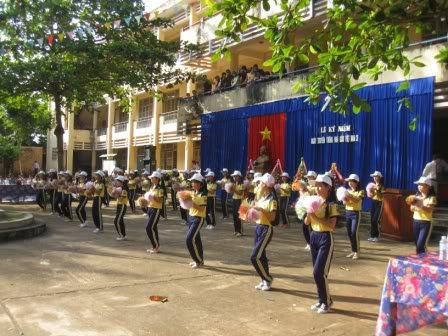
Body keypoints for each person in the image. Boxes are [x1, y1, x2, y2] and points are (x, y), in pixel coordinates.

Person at [304, 174, 338, 314]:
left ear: (328, 187)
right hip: (314, 237)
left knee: (319, 272)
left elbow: (332, 225)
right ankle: (321, 301)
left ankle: (328, 301)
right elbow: (307, 223)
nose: (316, 188)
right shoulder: (314, 200)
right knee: (316, 273)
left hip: (325, 238)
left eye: (320, 185)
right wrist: (308, 213)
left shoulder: (331, 204)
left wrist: (315, 217)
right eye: (315, 185)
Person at [251, 173, 278, 291]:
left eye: (261, 182)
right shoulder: (262, 197)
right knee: (261, 256)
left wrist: (261, 209)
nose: (259, 184)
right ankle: (264, 280)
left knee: (255, 257)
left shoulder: (272, 199)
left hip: (266, 229)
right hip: (258, 227)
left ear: (266, 185)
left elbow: (272, 217)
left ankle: (267, 278)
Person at [409, 177, 437, 254]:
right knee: (417, 243)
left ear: (427, 186)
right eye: (418, 185)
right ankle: (421, 258)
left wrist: (421, 205)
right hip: (416, 221)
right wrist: (414, 206)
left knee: (420, 244)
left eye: (421, 185)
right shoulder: (416, 196)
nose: (419, 186)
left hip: (426, 222)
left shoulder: (432, 198)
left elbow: (429, 210)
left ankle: (422, 260)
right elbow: (411, 209)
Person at [186, 173, 208, 268]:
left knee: (189, 239)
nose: (192, 183)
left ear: (199, 183)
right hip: (191, 217)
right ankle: (200, 260)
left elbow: (202, 209)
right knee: (197, 240)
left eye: (194, 182)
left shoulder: (203, 195)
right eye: (192, 182)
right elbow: (188, 206)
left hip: (198, 219)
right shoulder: (192, 192)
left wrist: (191, 202)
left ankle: (197, 260)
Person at [343, 174, 365, 260]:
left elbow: (356, 200)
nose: (350, 183)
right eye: (349, 182)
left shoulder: (361, 191)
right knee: (349, 233)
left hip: (356, 213)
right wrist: (345, 198)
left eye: (352, 182)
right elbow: (344, 202)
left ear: (356, 182)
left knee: (354, 232)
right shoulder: (347, 191)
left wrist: (349, 196)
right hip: (348, 212)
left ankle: (357, 252)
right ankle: (353, 250)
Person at [146, 171, 164, 253]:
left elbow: (161, 200)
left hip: (156, 209)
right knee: (153, 228)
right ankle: (155, 247)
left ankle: (155, 246)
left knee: (149, 228)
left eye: (152, 178)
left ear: (157, 179)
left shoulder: (160, 188)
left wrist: (153, 197)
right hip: (150, 208)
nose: (151, 179)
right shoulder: (152, 187)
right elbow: (149, 198)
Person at [367, 171, 385, 242]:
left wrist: (377, 190)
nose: (375, 178)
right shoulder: (372, 185)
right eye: (374, 177)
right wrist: (370, 191)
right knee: (372, 219)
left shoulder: (382, 186)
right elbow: (370, 196)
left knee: (375, 220)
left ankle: (377, 236)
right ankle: (372, 236)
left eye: (376, 176)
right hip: (373, 202)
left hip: (379, 203)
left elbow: (382, 195)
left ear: (379, 177)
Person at [112, 175, 129, 241]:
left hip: (122, 206)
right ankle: (123, 235)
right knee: (120, 221)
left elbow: (122, 198)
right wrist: (113, 193)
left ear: (121, 182)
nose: (116, 183)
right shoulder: (120, 189)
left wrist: (116, 193)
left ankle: (121, 235)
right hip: (119, 205)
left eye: (117, 181)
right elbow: (115, 197)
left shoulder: (124, 190)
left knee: (116, 221)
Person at [296, 180, 311, 250]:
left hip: (307, 212)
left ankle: (311, 243)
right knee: (305, 229)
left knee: (308, 228)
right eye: (299, 185)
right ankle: (308, 243)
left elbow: (308, 201)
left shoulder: (307, 192)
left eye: (300, 185)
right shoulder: (300, 192)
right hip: (302, 212)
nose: (299, 187)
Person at [231, 170, 245, 236]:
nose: (235, 177)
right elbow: (232, 193)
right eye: (234, 176)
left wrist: (233, 189)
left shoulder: (242, 184)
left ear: (239, 177)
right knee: (234, 215)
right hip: (234, 200)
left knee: (239, 216)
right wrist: (230, 189)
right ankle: (236, 230)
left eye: (236, 176)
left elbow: (240, 193)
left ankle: (240, 231)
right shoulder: (234, 183)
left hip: (239, 201)